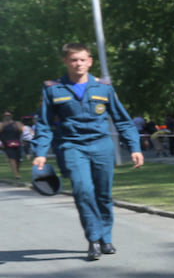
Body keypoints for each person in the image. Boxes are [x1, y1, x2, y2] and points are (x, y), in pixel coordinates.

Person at [31, 43, 144, 259]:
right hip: (72, 146)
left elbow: (123, 120)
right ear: (65, 61)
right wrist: (40, 152)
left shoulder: (103, 87)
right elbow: (44, 124)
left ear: (90, 61)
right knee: (83, 190)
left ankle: (106, 238)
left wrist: (135, 148)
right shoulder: (53, 89)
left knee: (103, 194)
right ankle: (93, 239)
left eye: (82, 59)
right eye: (73, 60)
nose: (78, 64)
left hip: (101, 145)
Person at [2, 110, 25, 178]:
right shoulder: (2, 124)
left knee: (18, 159)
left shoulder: (16, 123)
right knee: (12, 158)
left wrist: (18, 126)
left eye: (8, 115)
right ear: (3, 116)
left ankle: (17, 171)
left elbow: (22, 130)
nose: (7, 117)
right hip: (7, 144)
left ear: (11, 116)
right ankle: (16, 174)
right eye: (5, 115)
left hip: (17, 143)